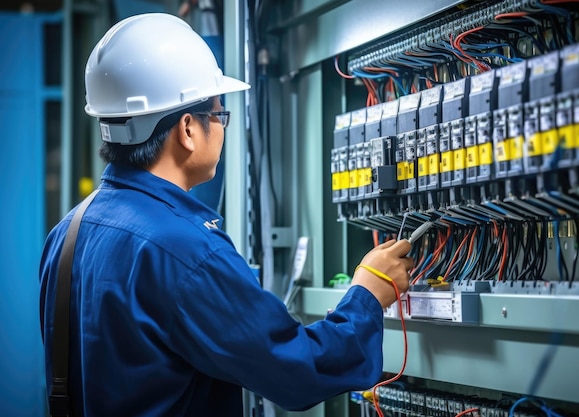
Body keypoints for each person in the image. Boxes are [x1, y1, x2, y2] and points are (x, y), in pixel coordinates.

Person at [39, 13, 413, 417]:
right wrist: (368, 294)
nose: (222, 127)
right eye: (220, 114)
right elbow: (297, 369)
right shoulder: (187, 251)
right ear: (187, 129)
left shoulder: (67, 235)